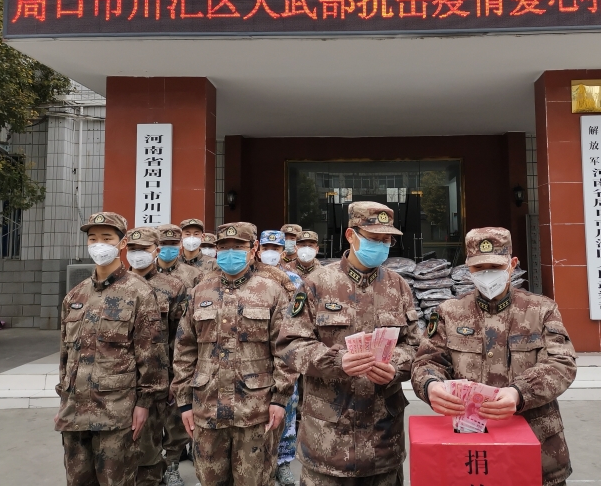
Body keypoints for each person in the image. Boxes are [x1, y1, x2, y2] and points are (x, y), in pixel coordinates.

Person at [411, 227, 577, 486]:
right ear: (468, 267)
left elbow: (561, 363)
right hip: (469, 450)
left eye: (495, 267)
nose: (487, 274)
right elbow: (427, 361)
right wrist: (430, 386)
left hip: (536, 447)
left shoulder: (541, 310)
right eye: (479, 268)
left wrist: (519, 392)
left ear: (512, 264)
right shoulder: (449, 312)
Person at [277, 202, 420, 486]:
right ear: (351, 235)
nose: (381, 246)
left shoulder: (398, 287)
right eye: (374, 238)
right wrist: (335, 361)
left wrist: (395, 366)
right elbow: (290, 344)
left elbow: (416, 347)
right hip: (327, 441)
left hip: (383, 440)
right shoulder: (317, 284)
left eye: (387, 240)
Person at [172, 222, 296, 486]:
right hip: (207, 409)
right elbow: (185, 349)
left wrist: (280, 399)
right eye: (224, 247)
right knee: (210, 480)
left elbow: (285, 350)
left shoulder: (271, 291)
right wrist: (184, 402)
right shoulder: (200, 292)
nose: (230, 252)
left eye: (238, 247)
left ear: (253, 249)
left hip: (255, 411)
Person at [55, 212, 168, 486]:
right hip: (75, 412)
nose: (99, 245)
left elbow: (151, 354)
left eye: (106, 238)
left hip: (116, 412)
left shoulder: (140, 292)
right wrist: (63, 400)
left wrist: (144, 404)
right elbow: (66, 355)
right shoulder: (76, 295)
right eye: (93, 239)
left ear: (121, 243)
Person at [126, 226, 188, 486]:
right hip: (122, 378)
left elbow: (181, 337)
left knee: (166, 430)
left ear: (156, 251)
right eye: (132, 248)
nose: (137, 253)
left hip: (161, 376)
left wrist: (177, 377)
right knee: (129, 440)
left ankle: (170, 466)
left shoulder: (172, 286)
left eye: (143, 249)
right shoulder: (116, 286)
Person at [257, 229, 304, 486]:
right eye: (266, 248)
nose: (271, 253)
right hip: (254, 355)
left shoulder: (294, 280)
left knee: (287, 407)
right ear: (258, 249)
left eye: (275, 249)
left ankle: (283, 462)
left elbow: (301, 318)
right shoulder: (249, 276)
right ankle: (260, 462)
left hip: (284, 354)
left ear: (283, 251)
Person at [155, 223, 200, 480]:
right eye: (163, 244)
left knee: (175, 418)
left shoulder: (192, 276)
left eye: (173, 244)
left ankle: (172, 465)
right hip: (149, 359)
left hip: (178, 357)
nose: (168, 248)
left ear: (180, 245)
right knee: (149, 419)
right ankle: (151, 468)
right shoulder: (139, 276)